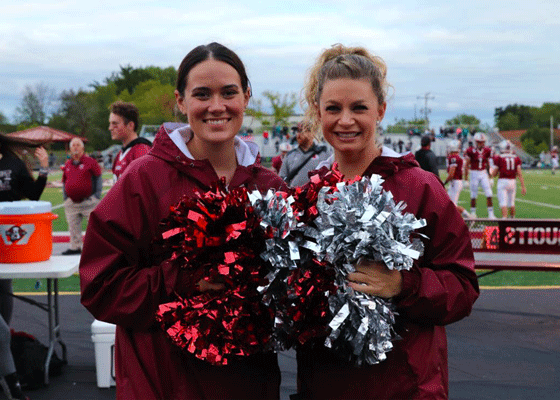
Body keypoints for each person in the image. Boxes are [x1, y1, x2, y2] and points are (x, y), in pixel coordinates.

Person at [79, 42, 287, 400]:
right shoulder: (144, 178)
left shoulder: (270, 188)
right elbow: (99, 285)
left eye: (229, 92)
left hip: (248, 383)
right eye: (202, 94)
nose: (216, 106)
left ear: (247, 96)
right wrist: (187, 279)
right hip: (161, 383)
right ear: (181, 101)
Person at [295, 44, 479, 399]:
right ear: (318, 112)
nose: (345, 120)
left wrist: (402, 284)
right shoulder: (306, 192)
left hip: (406, 386)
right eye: (333, 108)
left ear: (380, 111)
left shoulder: (419, 185)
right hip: (324, 383)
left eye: (359, 107)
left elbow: (463, 287)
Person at [0, 133, 48, 400]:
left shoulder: (13, 163)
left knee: (4, 318)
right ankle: (12, 387)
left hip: (6, 244)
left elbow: (32, 194)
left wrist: (43, 169)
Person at [60, 138, 102, 255]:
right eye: (73, 145)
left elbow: (98, 178)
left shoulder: (90, 162)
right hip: (72, 203)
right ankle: (75, 247)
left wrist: (96, 196)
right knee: (73, 227)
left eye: (78, 145)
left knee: (94, 227)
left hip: (88, 202)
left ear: (83, 148)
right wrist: (65, 197)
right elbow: (64, 181)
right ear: (70, 149)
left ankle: (95, 249)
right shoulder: (68, 164)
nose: (75, 147)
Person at [278, 121, 331, 186]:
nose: (298, 135)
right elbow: (281, 179)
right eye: (298, 131)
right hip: (294, 195)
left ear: (312, 133)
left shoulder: (324, 152)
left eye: (302, 131)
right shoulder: (290, 155)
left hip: (318, 195)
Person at [108, 101, 152, 181]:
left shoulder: (141, 151)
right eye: (110, 123)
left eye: (115, 124)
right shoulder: (120, 154)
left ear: (130, 125)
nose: (110, 128)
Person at [491, 140, 526, 218]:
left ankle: (504, 219)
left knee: (503, 202)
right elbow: (519, 173)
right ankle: (512, 219)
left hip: (503, 181)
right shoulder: (516, 158)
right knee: (512, 203)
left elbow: (495, 173)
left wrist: (491, 176)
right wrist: (523, 186)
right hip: (513, 181)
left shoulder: (499, 158)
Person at [464, 132, 496, 218]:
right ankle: (473, 213)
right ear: (475, 142)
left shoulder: (487, 150)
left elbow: (488, 164)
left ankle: (491, 214)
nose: (481, 143)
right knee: (473, 194)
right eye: (479, 142)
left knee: (489, 193)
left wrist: (491, 177)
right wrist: (466, 179)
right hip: (474, 173)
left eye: (482, 142)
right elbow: (466, 165)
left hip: (483, 173)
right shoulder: (470, 150)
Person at [444, 139, 473, 219]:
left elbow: (451, 174)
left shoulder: (453, 157)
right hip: (456, 182)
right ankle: (456, 219)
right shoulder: (458, 157)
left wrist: (444, 183)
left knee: (452, 205)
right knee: (449, 204)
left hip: (455, 182)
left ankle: (469, 217)